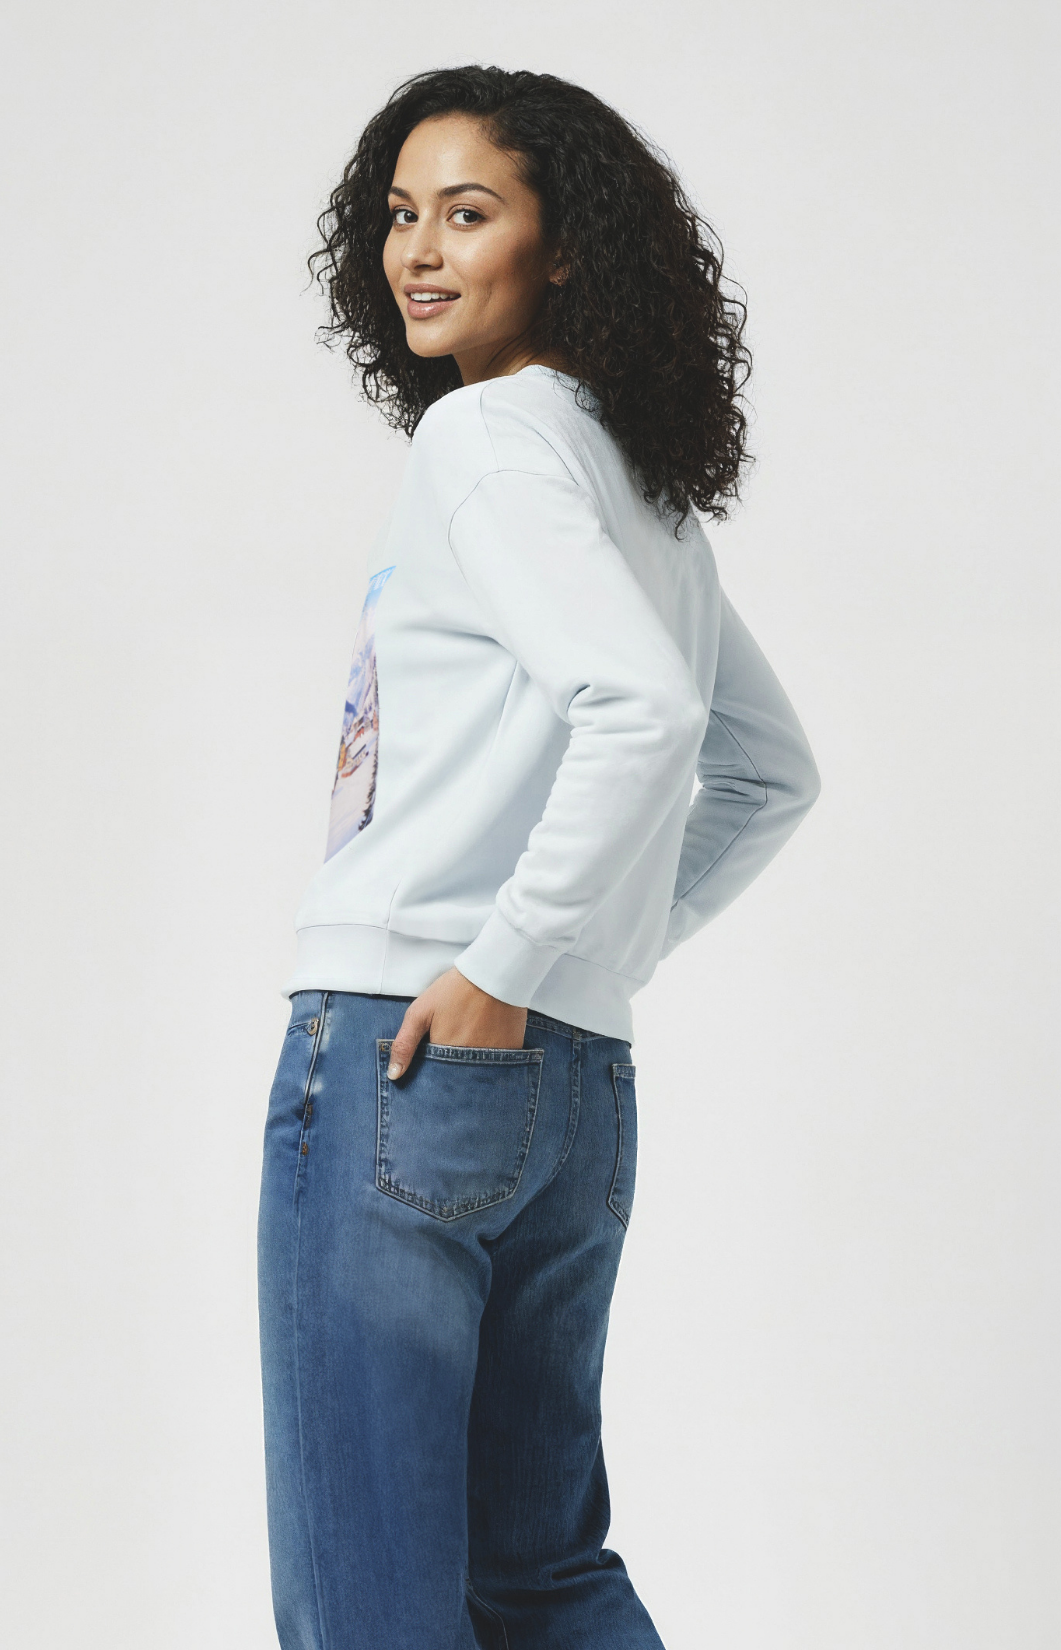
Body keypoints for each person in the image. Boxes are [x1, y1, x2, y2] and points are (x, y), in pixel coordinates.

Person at [257, 64, 820, 1650]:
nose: (420, 251)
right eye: (399, 216)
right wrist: (587, 954)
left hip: (408, 1049)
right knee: (540, 1571)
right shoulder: (634, 482)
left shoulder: (489, 439)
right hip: (570, 1080)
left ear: (562, 246)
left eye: (470, 212)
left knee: (370, 1607)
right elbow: (769, 771)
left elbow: (646, 715)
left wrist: (508, 958)